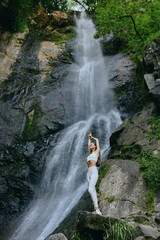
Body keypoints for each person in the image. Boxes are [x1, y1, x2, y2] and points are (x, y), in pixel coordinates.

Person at [87, 131, 102, 215]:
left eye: (92, 144)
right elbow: (88, 144)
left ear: (95, 146)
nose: (91, 145)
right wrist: (89, 138)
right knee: (92, 190)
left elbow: (97, 141)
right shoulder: (90, 153)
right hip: (88, 172)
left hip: (94, 171)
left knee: (90, 189)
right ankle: (96, 209)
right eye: (91, 144)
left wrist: (93, 138)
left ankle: (97, 209)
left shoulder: (97, 151)